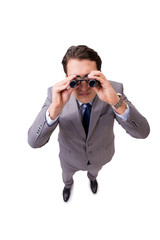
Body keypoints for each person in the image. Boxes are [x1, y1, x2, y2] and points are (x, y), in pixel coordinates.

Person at [28, 45, 150, 202]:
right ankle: (67, 185)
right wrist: (55, 109)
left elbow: (143, 132)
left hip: (100, 155)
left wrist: (115, 102)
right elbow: (33, 142)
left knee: (94, 172)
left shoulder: (114, 90)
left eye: (89, 79)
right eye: (76, 80)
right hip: (69, 157)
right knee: (66, 176)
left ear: (99, 74)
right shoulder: (55, 95)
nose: (84, 87)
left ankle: (92, 179)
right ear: (66, 77)